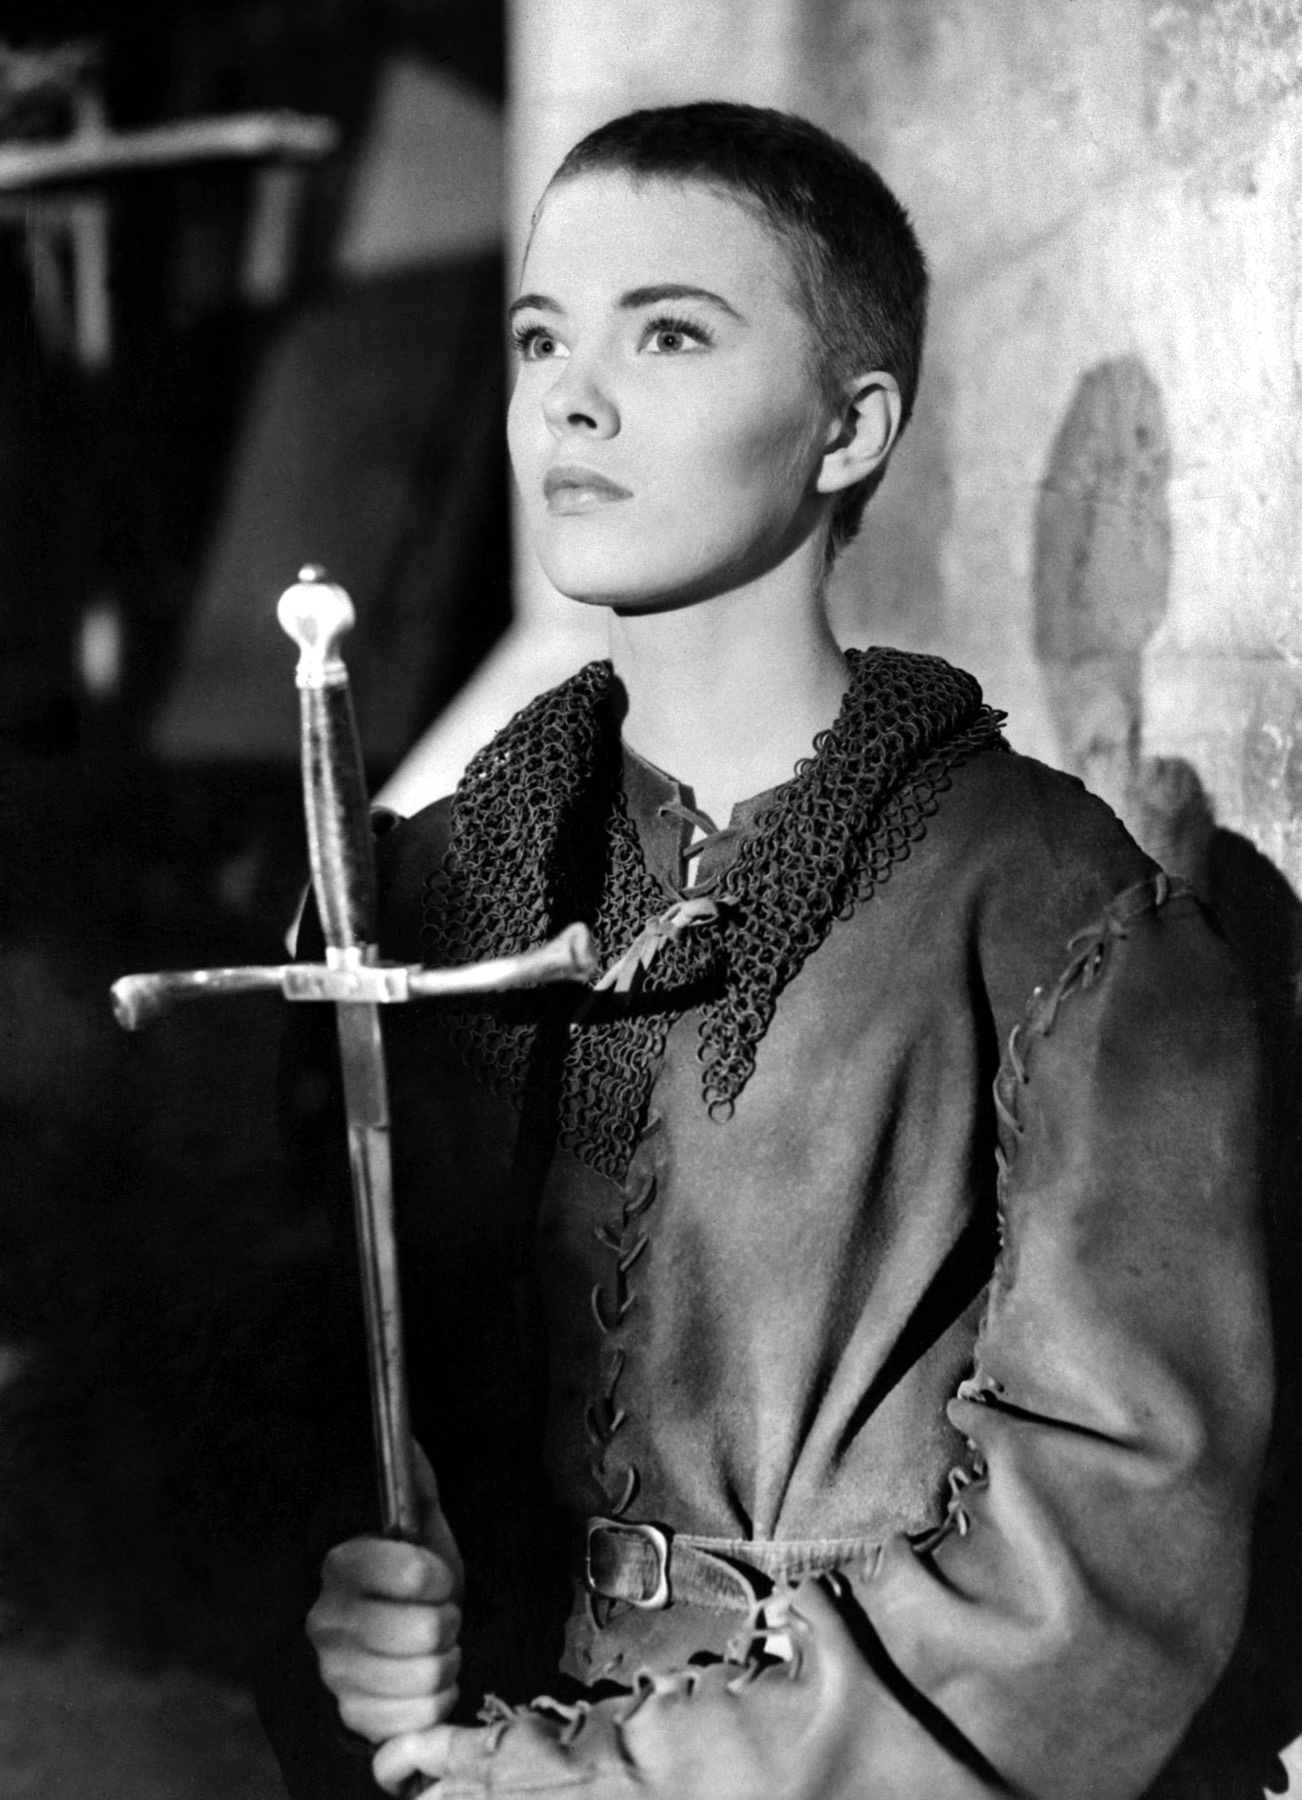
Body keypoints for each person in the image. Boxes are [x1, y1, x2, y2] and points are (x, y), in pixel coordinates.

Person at [258, 103, 1271, 1799]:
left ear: (846, 427)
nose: (570, 399)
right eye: (539, 339)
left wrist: (619, 1780)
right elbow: (282, 1413)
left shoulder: (1050, 912)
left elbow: (1101, 1567)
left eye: (666, 334)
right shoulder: (421, 901)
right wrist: (354, 1610)